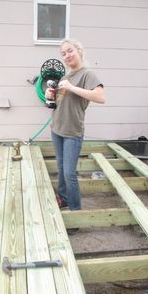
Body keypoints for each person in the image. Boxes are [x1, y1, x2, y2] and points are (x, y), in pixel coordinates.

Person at [45, 38, 105, 232]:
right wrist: (49, 96)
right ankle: (63, 199)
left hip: (72, 132)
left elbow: (100, 97)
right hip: (57, 128)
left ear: (79, 51)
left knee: (70, 173)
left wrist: (71, 88)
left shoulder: (87, 75)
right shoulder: (67, 76)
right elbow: (61, 102)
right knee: (61, 168)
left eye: (70, 51)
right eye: (63, 53)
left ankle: (76, 212)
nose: (67, 55)